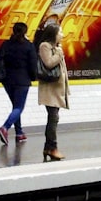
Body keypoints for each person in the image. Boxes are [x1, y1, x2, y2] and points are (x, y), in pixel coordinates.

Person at [0, 22, 38, 145]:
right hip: (22, 80)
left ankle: (19, 133)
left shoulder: (6, 44)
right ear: (25, 31)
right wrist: (33, 77)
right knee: (19, 107)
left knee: (15, 107)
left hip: (7, 80)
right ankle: (5, 128)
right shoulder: (28, 46)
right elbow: (33, 64)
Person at [37, 23, 69, 161]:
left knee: (53, 118)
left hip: (57, 89)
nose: (62, 35)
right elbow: (49, 63)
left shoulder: (56, 48)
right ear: (53, 34)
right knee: (53, 118)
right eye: (60, 32)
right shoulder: (45, 46)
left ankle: (48, 147)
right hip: (50, 89)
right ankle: (52, 148)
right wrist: (59, 54)